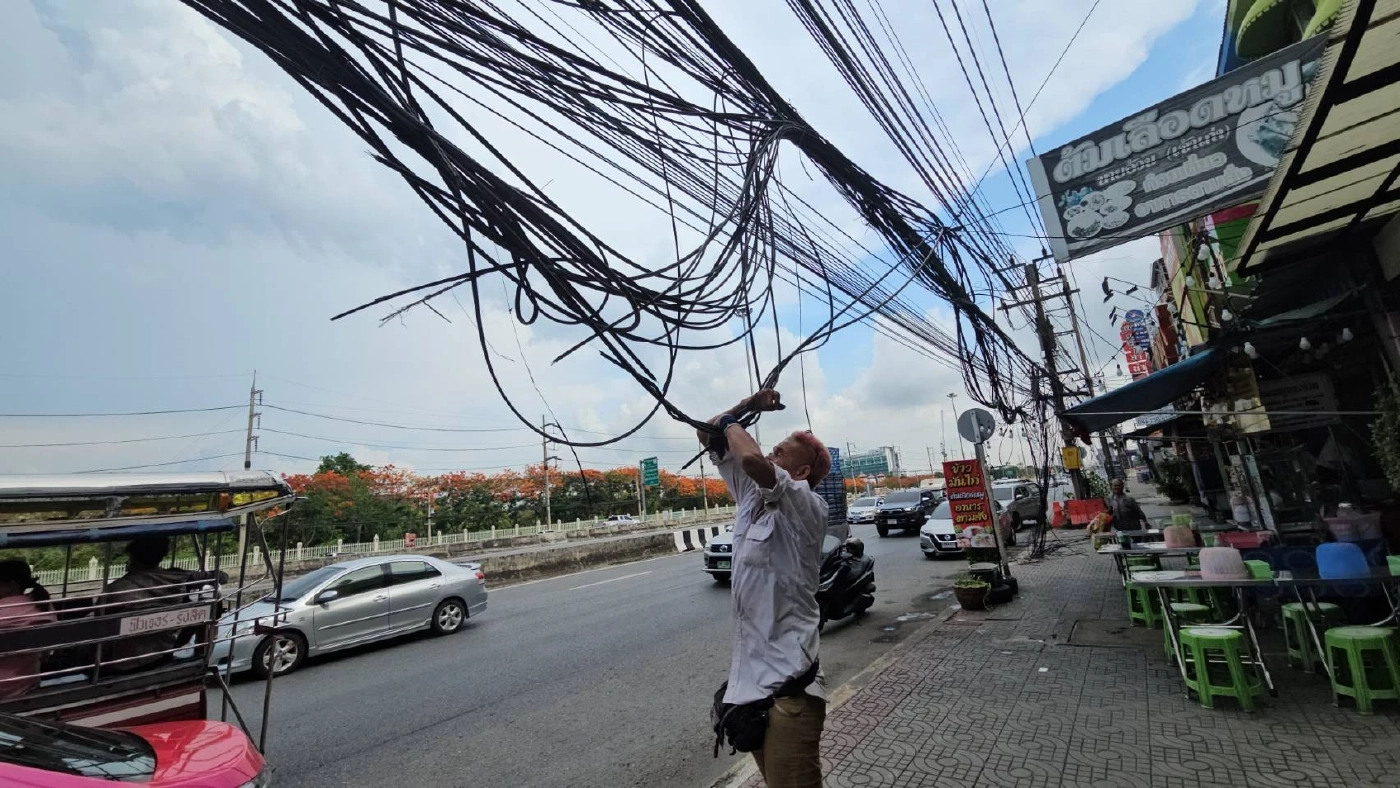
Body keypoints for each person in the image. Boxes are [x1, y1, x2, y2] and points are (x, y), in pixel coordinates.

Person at [700, 389, 831, 788]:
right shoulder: (749, 498)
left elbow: (753, 459)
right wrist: (746, 406)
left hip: (789, 693)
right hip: (750, 689)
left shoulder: (806, 505)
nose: (771, 454)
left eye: (781, 451)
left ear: (803, 471)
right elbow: (708, 434)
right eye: (772, 449)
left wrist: (730, 425)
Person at [100, 536, 225, 674]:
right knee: (202, 608)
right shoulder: (178, 578)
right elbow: (222, 577)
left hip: (118, 664)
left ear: (132, 557)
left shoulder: (115, 589)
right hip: (161, 656)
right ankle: (200, 654)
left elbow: (98, 625)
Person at [0, 559, 57, 700]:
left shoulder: (3, 610)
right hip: (28, 684)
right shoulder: (43, 605)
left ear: (11, 585)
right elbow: (46, 655)